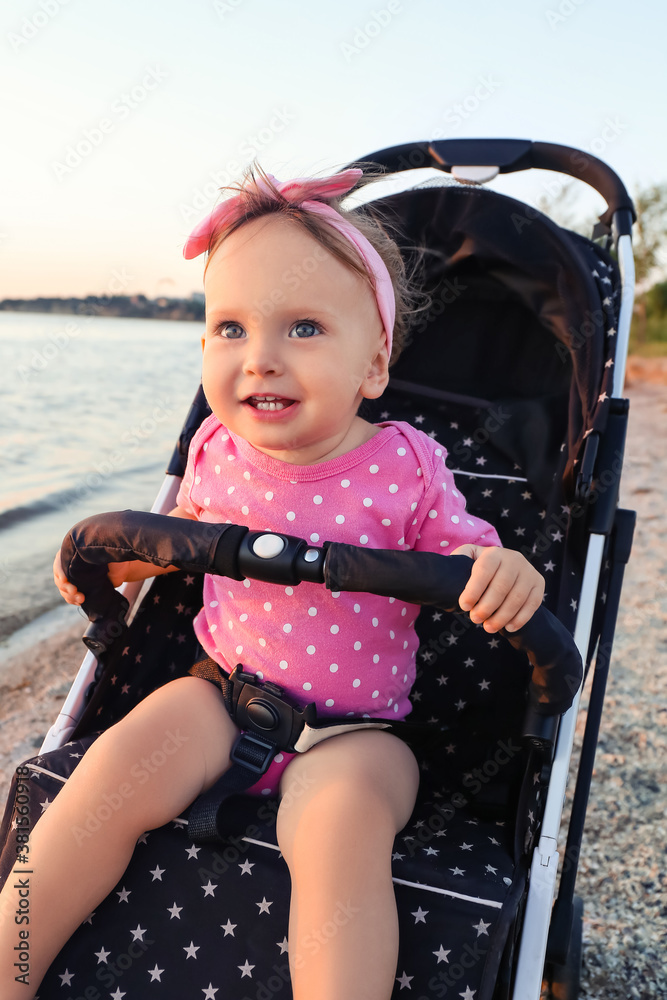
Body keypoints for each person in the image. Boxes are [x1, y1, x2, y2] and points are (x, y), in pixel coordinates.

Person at [0, 165, 544, 999]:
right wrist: (115, 562)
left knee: (336, 841)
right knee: (101, 784)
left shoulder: (406, 467)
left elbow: (467, 554)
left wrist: (501, 569)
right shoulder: (216, 450)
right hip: (220, 694)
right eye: (228, 329)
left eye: (301, 328)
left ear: (372, 364)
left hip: (359, 734)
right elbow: (171, 552)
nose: (259, 360)